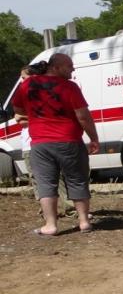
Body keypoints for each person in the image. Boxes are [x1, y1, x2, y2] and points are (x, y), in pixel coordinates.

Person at [11, 53, 99, 235]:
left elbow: (17, 109)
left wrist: (35, 117)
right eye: (69, 66)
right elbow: (83, 116)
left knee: (45, 183)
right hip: (69, 141)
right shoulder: (70, 87)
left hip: (40, 144)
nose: (73, 69)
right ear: (56, 67)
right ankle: (84, 222)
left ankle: (50, 225)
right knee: (77, 180)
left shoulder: (28, 84)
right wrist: (94, 138)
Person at [17, 65, 74, 217]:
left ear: (34, 77)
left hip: (40, 143)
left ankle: (68, 207)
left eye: (24, 78)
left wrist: (26, 118)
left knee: (56, 177)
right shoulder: (26, 94)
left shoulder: (44, 93)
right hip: (29, 143)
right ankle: (46, 208)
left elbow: (25, 118)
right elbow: (18, 117)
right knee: (36, 179)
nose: (21, 82)